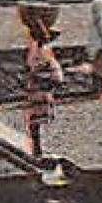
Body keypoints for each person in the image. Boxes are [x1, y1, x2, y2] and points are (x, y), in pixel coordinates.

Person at [22, 17, 65, 159]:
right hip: (40, 88)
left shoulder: (37, 50)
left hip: (39, 88)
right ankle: (37, 149)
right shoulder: (40, 51)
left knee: (36, 120)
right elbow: (37, 68)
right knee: (36, 120)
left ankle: (37, 148)